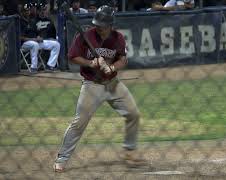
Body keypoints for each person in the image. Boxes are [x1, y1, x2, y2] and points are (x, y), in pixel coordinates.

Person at [53, 5, 146, 172]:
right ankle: (62, 158)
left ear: (110, 25)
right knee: (79, 122)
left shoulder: (118, 38)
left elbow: (123, 59)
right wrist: (90, 63)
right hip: (92, 85)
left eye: (103, 25)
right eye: (97, 24)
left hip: (113, 84)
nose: (99, 28)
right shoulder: (86, 36)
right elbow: (72, 56)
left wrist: (112, 68)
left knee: (133, 113)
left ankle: (130, 151)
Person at [34, 3, 60, 71]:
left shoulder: (49, 21)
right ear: (38, 11)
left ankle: (50, 65)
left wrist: (53, 39)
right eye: (40, 10)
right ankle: (39, 63)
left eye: (44, 10)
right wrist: (36, 37)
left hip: (47, 41)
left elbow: (53, 33)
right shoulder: (34, 21)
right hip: (37, 42)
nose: (42, 12)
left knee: (57, 44)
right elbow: (31, 32)